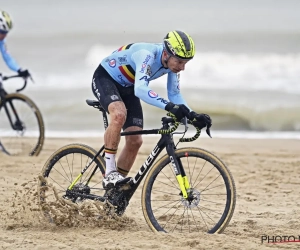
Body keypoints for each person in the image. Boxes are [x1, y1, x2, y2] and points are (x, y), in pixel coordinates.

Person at [91, 30, 212, 189]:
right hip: (105, 78)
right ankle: (109, 173)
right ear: (167, 54)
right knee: (119, 115)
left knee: (135, 141)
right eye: (180, 62)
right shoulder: (146, 54)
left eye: (186, 63)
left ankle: (115, 191)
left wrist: (192, 115)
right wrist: (169, 107)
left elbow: (174, 94)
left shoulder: (171, 65)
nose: (182, 68)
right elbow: (141, 89)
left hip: (128, 86)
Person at [0, 10, 31, 80]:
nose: (5, 36)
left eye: (6, 32)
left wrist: (19, 70)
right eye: (2, 32)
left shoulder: (1, 41)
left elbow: (8, 58)